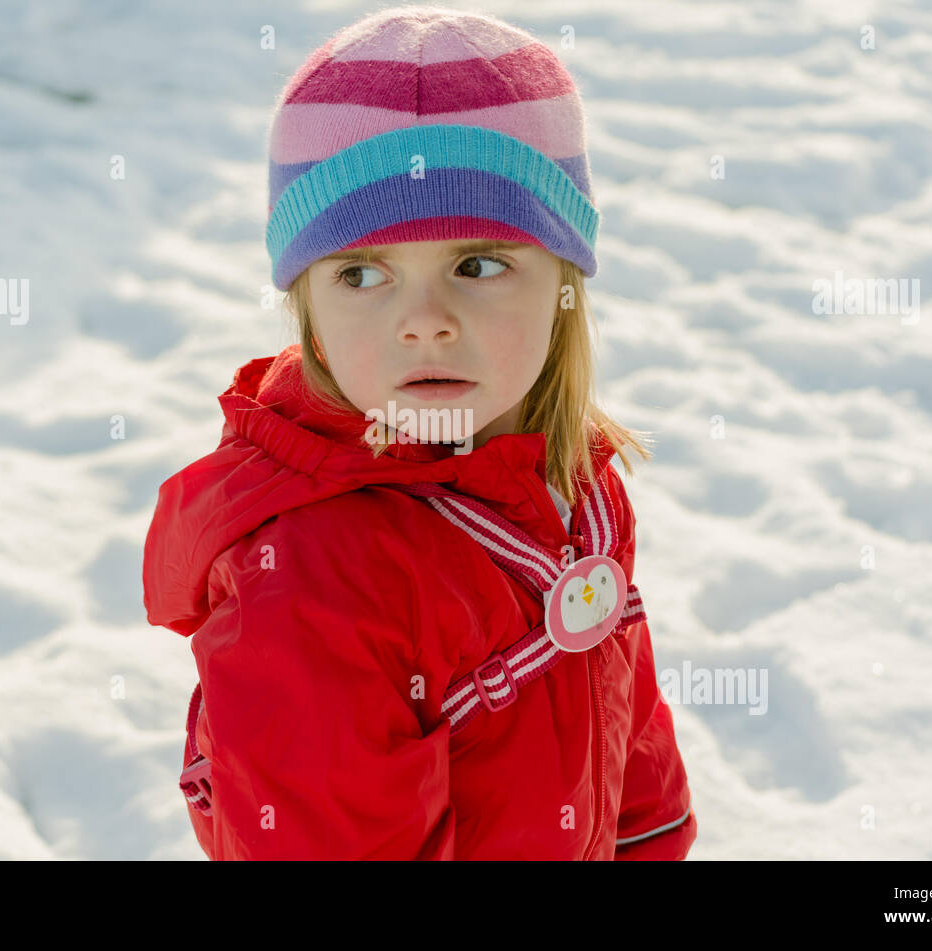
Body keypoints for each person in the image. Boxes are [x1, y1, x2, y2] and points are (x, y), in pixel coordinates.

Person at [142, 4, 696, 860]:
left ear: (564, 281)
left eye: (478, 265)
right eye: (364, 273)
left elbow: (624, 716)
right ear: (308, 310)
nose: (425, 321)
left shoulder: (574, 483)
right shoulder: (314, 577)